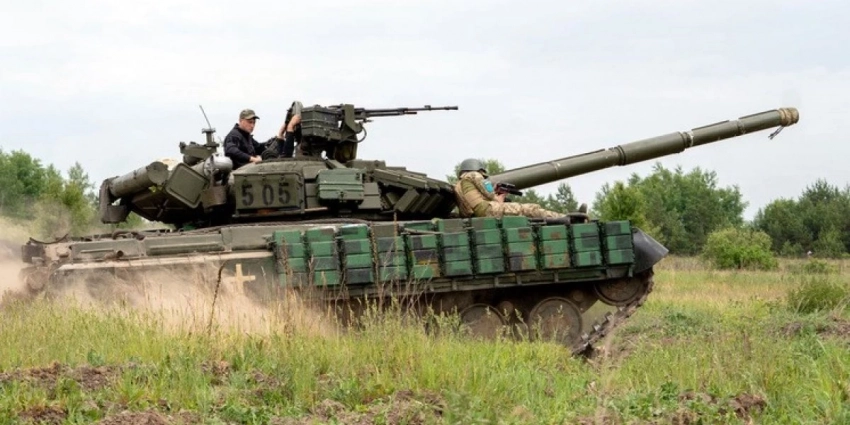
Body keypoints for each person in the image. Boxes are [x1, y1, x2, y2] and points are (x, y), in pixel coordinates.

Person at [453, 158, 567, 219]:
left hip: (479, 213)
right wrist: (498, 195)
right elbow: (490, 195)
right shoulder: (474, 175)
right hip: (488, 210)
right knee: (529, 209)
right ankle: (563, 218)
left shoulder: (458, 185)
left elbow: (470, 207)